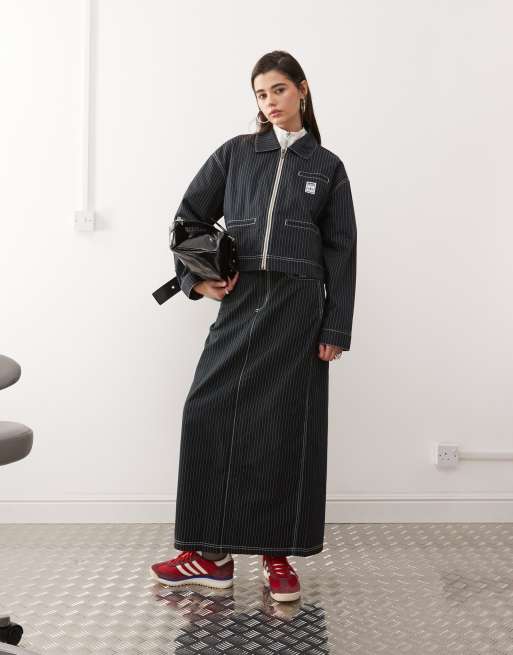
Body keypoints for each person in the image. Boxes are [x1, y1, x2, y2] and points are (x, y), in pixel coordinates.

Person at [151, 50, 357, 603]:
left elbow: (341, 251)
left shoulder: (327, 166)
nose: (270, 102)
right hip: (242, 301)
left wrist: (335, 327)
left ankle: (277, 555)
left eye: (279, 90)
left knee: (284, 428)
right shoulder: (236, 154)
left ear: (302, 90)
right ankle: (210, 556)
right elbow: (188, 219)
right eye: (261, 94)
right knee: (206, 411)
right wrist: (197, 280)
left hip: (298, 308)